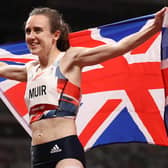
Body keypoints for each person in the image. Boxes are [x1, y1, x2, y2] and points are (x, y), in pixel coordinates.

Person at [0, 6, 167, 168]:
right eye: (28, 31)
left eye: (38, 30)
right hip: (37, 154)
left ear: (55, 35)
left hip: (64, 150)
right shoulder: (29, 70)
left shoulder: (70, 59)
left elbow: (119, 47)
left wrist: (153, 27)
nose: (31, 36)